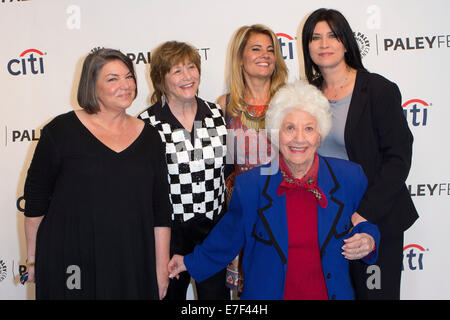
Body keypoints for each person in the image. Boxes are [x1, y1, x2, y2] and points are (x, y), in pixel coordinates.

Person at [168, 80, 380, 300]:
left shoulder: (350, 178)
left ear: (320, 135)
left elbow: (368, 224)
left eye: (308, 128)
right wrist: (187, 262)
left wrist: (369, 240)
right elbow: (227, 238)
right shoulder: (251, 185)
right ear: (276, 134)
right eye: (290, 128)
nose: (299, 138)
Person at [23, 48, 171, 299]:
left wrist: (160, 269)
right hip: (70, 260)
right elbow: (35, 202)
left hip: (131, 261)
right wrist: (33, 260)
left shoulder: (150, 137)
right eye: (112, 79)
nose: (125, 85)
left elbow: (160, 210)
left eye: (128, 77)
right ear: (92, 86)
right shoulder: (59, 131)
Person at [301, 8, 419, 300]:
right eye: (315, 38)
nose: (324, 44)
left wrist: (364, 214)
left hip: (375, 217)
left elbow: (398, 158)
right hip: (326, 222)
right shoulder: (306, 96)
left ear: (346, 42)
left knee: (374, 296)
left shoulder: (378, 90)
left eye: (332, 35)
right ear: (307, 46)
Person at [138, 41, 229, 300]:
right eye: (177, 71)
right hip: (170, 234)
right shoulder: (146, 124)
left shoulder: (217, 113)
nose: (188, 76)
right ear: (160, 79)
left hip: (212, 233)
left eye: (191, 67)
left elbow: (229, 171)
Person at [216, 24, 288, 292]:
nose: (265, 55)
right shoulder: (225, 105)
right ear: (240, 57)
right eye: (256, 49)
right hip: (243, 210)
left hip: (284, 205)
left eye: (271, 50)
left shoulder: (289, 99)